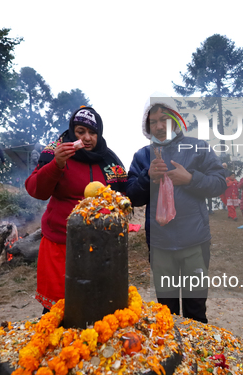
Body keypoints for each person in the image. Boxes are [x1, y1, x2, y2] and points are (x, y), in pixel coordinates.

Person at [126, 95, 226, 324]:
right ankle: (172, 355)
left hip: (195, 242)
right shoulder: (142, 156)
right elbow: (131, 196)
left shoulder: (198, 148)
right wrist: (147, 177)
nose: (160, 126)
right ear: (147, 126)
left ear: (176, 119)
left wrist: (190, 179)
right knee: (166, 313)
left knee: (196, 311)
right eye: (153, 122)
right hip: (160, 245)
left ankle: (198, 356)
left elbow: (219, 183)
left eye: (165, 119)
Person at [26, 107, 127, 313]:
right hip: (60, 243)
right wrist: (57, 163)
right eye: (81, 131)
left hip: (99, 244)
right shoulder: (55, 152)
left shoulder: (109, 160)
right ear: (73, 131)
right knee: (59, 309)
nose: (87, 138)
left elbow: (123, 194)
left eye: (93, 133)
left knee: (95, 305)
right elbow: (36, 190)